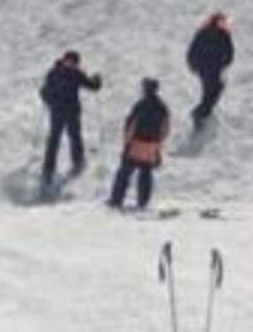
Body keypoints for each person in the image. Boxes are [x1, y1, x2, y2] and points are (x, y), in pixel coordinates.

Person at [37, 50, 101, 191]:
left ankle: (77, 161)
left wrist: (97, 81)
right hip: (58, 111)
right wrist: (50, 101)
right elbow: (44, 91)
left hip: (72, 111)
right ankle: (48, 168)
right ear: (64, 60)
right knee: (54, 139)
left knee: (75, 136)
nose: (72, 65)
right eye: (70, 61)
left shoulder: (76, 74)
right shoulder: (54, 72)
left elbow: (91, 86)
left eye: (74, 63)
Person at [108, 78, 174, 211]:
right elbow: (165, 128)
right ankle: (143, 202)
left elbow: (131, 124)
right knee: (146, 173)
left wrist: (127, 142)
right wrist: (158, 145)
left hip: (137, 143)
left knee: (124, 172)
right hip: (152, 144)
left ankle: (116, 199)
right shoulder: (162, 107)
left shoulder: (141, 105)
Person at [185, 11, 235, 126]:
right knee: (215, 89)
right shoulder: (223, 35)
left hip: (203, 68)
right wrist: (224, 63)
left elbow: (192, 51)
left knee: (209, 90)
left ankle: (203, 112)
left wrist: (193, 65)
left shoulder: (202, 33)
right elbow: (230, 53)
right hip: (214, 68)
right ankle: (200, 113)